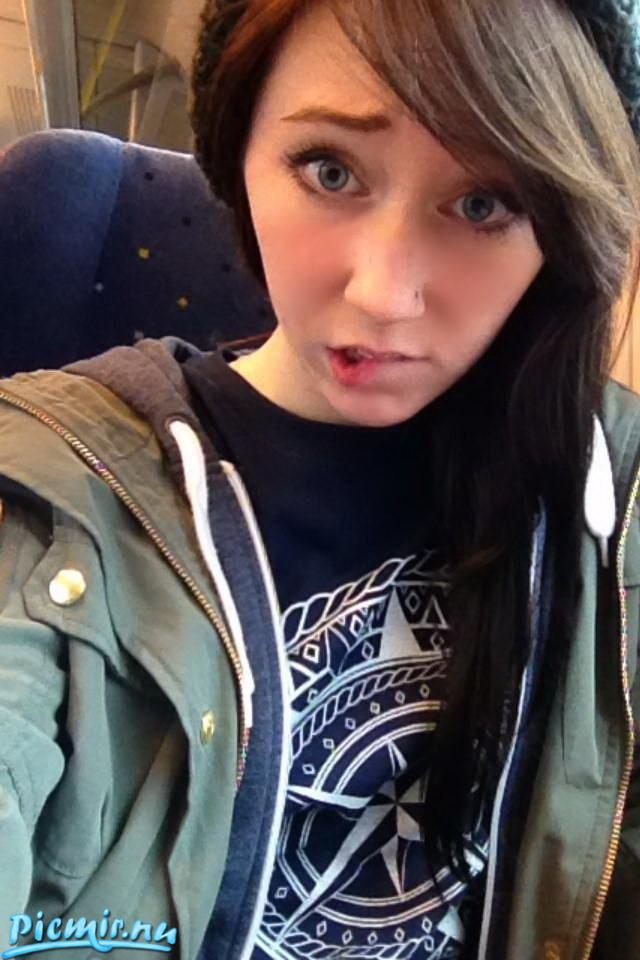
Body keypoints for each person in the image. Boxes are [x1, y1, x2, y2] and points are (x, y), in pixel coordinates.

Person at [1, 0, 640, 957]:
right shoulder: (55, 490)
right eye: (331, 170)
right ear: (238, 152)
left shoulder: (612, 502)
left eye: (484, 203)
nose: (384, 294)